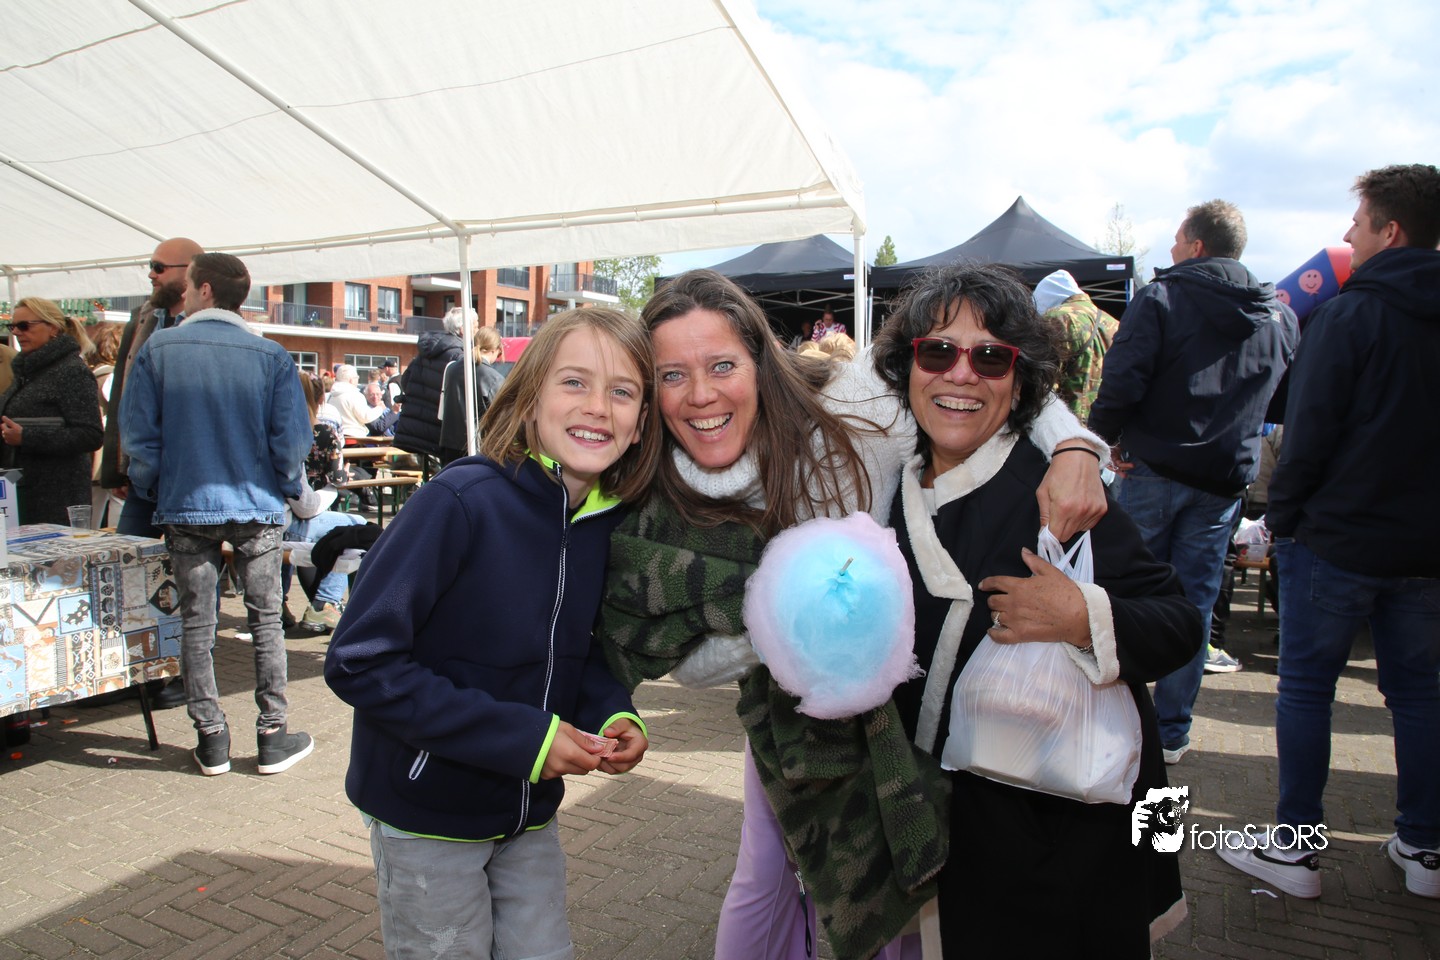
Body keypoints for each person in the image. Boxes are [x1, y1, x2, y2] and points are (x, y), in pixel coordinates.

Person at [595, 268, 1110, 960]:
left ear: (760, 360)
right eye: (672, 375)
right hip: (787, 711)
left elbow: (981, 376)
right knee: (765, 873)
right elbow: (686, 664)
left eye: (722, 365)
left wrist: (1077, 447)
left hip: (909, 700)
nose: (702, 395)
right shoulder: (658, 496)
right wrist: (789, 623)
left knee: (895, 881)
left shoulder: (850, 406)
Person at [870, 262, 1200, 957]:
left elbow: (1178, 623)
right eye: (938, 352)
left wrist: (1083, 616)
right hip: (952, 830)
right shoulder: (887, 491)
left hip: (1068, 833)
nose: (962, 375)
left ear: (1019, 383)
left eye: (991, 358)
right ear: (908, 369)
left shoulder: (1056, 495)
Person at [324, 306, 657, 960]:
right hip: (427, 814)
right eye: (574, 382)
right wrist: (524, 739)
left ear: (642, 421)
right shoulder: (458, 502)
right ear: (529, 398)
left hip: (528, 814)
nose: (597, 406)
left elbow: (576, 650)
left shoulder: (606, 525)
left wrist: (612, 711)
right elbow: (359, 661)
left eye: (622, 391)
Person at [1216, 163, 1440, 901]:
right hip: (1426, 549)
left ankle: (1295, 848)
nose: (1349, 233)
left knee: (1308, 689)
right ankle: (1426, 846)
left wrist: (1278, 520)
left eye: (1359, 221)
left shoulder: (1350, 315)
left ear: (1390, 230)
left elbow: (1307, 435)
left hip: (1338, 540)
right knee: (1419, 695)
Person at [1088, 199, 1298, 765]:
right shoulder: (1279, 317)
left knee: (1125, 594)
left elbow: (1123, 377)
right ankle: (1172, 730)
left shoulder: (1162, 297)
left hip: (1154, 470)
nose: (1172, 248)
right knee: (1194, 604)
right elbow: (1280, 400)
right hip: (1222, 482)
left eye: (1178, 239)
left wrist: (1101, 440)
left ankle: (1120, 723)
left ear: (1197, 245)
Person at [120, 252, 315, 777]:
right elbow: (291, 443)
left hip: (187, 501)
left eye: (187, 286)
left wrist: (155, 486)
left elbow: (139, 438)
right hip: (257, 504)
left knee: (197, 622)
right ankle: (272, 734)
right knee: (266, 621)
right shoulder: (271, 355)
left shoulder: (160, 349)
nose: (182, 294)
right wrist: (290, 491)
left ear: (204, 290)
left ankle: (211, 738)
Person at [100, 237, 204, 710]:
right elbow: (123, 398)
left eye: (160, 266)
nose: (152, 274)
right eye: (151, 265)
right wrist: (117, 466)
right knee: (128, 571)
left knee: (191, 579)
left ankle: (187, 671)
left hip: (188, 476)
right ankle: (130, 671)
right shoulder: (143, 318)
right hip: (143, 474)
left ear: (190, 270)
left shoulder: (208, 323)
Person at [0, 299, 104, 525]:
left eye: (24, 326)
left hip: (57, 499)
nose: (16, 332)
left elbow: (91, 435)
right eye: (13, 326)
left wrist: (26, 437)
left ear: (53, 328)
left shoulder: (71, 372)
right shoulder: (28, 372)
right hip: (24, 492)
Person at [282, 369, 368, 634]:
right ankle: (325, 604)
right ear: (318, 399)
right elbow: (306, 506)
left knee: (344, 530)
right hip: (283, 521)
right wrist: (333, 487)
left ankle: (285, 603)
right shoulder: (301, 435)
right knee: (356, 527)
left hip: (265, 517)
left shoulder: (271, 431)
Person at [1031, 268, 1119, 421]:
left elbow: (1043, 382)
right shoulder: (1113, 323)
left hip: (1066, 423)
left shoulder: (1057, 318)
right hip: (1104, 422)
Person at [392, 306, 469, 468]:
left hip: (418, 427)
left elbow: (406, 381)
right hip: (439, 430)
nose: (478, 330)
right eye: (475, 326)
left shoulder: (424, 353)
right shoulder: (459, 355)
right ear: (463, 330)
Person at [437, 325, 507, 465]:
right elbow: (504, 419)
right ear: (494, 350)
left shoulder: (451, 369)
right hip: (477, 447)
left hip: (449, 444)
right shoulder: (493, 378)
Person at [87, 322, 126, 528]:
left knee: (93, 513)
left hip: (94, 452)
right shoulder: (111, 376)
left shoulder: (93, 374)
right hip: (105, 452)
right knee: (115, 505)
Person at [329, 365, 387, 443]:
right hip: (354, 438)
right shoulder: (354, 395)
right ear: (351, 380)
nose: (357, 380)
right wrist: (380, 408)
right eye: (357, 377)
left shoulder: (331, 395)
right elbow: (365, 417)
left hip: (337, 437)